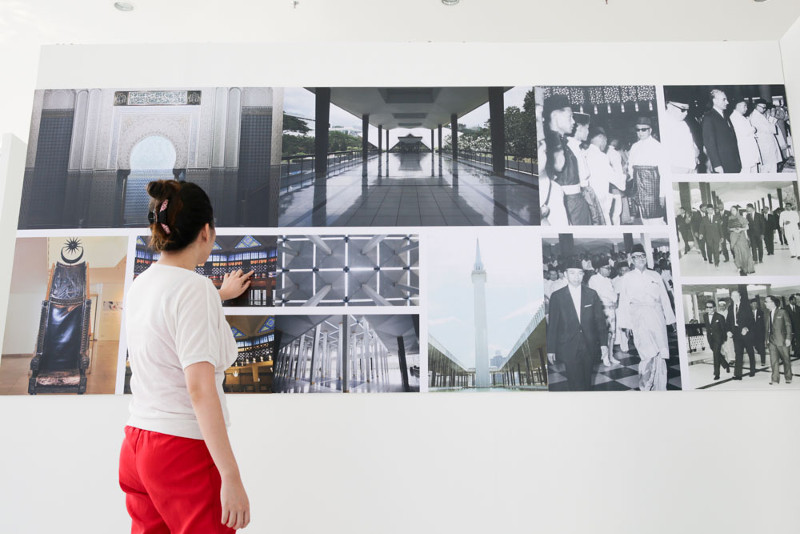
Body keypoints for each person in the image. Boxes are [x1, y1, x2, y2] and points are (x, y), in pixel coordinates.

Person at [119, 180, 252, 533]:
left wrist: (218, 295)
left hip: (138, 442)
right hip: (180, 450)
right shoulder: (194, 290)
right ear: (206, 231)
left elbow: (169, 324)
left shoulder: (143, 283)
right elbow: (199, 389)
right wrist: (231, 476)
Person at [616, 244, 676, 390]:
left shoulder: (655, 275)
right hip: (639, 318)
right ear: (631, 259)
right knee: (647, 353)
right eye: (637, 257)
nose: (640, 259)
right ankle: (646, 387)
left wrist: (671, 320)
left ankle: (660, 388)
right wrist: (626, 325)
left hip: (657, 317)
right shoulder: (627, 278)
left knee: (661, 353)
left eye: (643, 256)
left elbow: (664, 299)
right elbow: (623, 301)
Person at [546, 258, 608, 391]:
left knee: (587, 380)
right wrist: (550, 349)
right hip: (568, 345)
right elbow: (553, 325)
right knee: (575, 382)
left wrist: (604, 344)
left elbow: (600, 321)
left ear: (583, 274)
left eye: (580, 273)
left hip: (589, 344)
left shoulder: (591, 294)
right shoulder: (557, 296)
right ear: (565, 274)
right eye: (572, 273)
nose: (576, 277)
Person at [544, 95, 592, 226]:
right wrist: (554, 133)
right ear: (555, 116)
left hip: (576, 200)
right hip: (569, 202)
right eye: (569, 116)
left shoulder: (563, 141)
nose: (573, 122)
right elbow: (559, 165)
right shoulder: (550, 143)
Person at [627, 116, 668, 224]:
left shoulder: (658, 147)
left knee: (656, 220)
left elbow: (663, 173)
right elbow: (631, 168)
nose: (640, 132)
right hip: (638, 189)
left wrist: (662, 194)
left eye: (643, 129)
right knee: (643, 219)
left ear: (650, 130)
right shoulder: (634, 147)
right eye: (638, 130)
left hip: (652, 189)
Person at [588, 260, 620, 366]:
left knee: (612, 334)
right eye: (607, 268)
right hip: (602, 310)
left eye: (610, 268)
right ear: (600, 268)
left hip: (611, 310)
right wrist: (615, 298)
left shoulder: (608, 280)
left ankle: (611, 355)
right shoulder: (594, 279)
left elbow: (613, 293)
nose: (609, 270)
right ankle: (605, 357)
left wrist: (615, 300)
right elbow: (601, 293)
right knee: (604, 334)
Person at [701, 89, 742, 173]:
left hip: (733, 161)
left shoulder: (725, 115)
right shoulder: (709, 117)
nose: (727, 102)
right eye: (724, 99)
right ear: (714, 100)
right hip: (722, 163)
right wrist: (716, 164)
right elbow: (710, 143)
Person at [661, 98, 698, 173]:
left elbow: (691, 142)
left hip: (691, 166)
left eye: (688, 110)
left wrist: (695, 153)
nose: (686, 113)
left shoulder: (683, 123)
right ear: (669, 106)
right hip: (676, 168)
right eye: (683, 109)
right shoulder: (663, 123)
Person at [726, 290, 756, 380]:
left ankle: (752, 370)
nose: (734, 298)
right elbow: (728, 321)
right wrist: (728, 330)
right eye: (733, 296)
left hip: (746, 332)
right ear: (731, 297)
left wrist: (746, 328)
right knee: (738, 354)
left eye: (736, 296)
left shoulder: (746, 306)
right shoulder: (730, 307)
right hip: (736, 333)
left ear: (740, 297)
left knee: (750, 352)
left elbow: (752, 321)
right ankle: (738, 375)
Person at [766, 295, 793, 385]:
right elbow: (767, 328)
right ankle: (775, 379)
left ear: (772, 302)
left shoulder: (782, 312)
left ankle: (788, 377)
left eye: (767, 301)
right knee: (773, 361)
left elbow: (788, 325)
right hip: (771, 341)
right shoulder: (767, 313)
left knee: (786, 359)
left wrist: (788, 338)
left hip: (782, 340)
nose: (765, 303)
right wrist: (766, 339)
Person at [729, 97, 761, 173]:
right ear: (738, 106)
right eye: (744, 106)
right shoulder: (735, 117)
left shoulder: (741, 117)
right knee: (746, 171)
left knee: (752, 170)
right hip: (744, 149)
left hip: (748, 148)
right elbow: (744, 132)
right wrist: (753, 129)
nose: (746, 108)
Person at [750, 99, 782, 173]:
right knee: (767, 167)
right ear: (756, 106)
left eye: (765, 107)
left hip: (767, 142)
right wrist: (771, 118)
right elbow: (769, 129)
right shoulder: (755, 116)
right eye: (762, 107)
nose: (763, 109)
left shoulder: (760, 115)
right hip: (764, 143)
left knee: (771, 165)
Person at [703, 300, 730, 380]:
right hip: (710, 338)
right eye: (707, 307)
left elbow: (723, 328)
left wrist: (724, 339)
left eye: (710, 307)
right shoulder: (705, 316)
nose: (708, 309)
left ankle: (717, 373)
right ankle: (726, 365)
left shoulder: (719, 317)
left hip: (718, 338)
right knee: (717, 353)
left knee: (715, 355)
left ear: (714, 308)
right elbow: (708, 327)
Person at [728, 206, 755, 276]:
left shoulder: (742, 218)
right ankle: (739, 266)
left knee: (744, 252)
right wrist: (732, 229)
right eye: (731, 210)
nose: (732, 211)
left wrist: (740, 229)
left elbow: (747, 227)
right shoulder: (729, 218)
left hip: (741, 236)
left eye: (734, 210)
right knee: (736, 252)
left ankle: (746, 267)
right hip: (733, 236)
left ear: (737, 210)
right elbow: (728, 228)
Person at [750, 299, 767, 366]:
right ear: (750, 304)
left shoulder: (761, 313)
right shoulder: (748, 313)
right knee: (755, 347)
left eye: (756, 304)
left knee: (761, 347)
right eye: (753, 304)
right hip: (751, 334)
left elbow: (764, 323)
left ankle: (763, 361)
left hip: (760, 334)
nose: (754, 305)